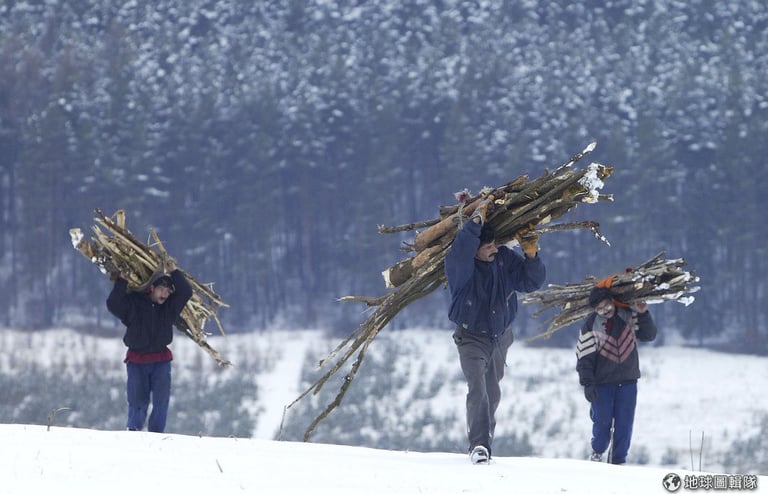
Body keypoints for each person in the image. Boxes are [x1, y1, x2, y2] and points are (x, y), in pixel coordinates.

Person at [444, 199, 546, 464]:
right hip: (471, 337)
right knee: (477, 386)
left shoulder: (503, 259)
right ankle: (479, 445)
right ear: (474, 249)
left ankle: (486, 438)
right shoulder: (461, 270)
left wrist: (532, 255)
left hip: (501, 337)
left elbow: (530, 282)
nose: (493, 249)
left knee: (492, 390)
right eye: (487, 246)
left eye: (494, 244)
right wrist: (475, 222)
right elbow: (460, 250)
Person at [106, 256, 192, 432]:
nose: (165, 294)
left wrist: (174, 272)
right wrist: (122, 280)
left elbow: (185, 292)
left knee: (161, 401)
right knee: (138, 402)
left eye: (168, 291)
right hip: (137, 361)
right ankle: (134, 432)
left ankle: (156, 435)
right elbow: (113, 304)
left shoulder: (169, 309)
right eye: (161, 289)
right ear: (151, 288)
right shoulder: (134, 304)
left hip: (161, 361)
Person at [575, 285, 657, 464]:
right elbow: (584, 359)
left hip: (628, 383)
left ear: (612, 301)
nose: (605, 310)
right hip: (601, 385)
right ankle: (597, 452)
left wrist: (643, 313)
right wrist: (588, 384)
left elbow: (649, 335)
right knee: (602, 425)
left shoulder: (628, 314)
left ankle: (618, 461)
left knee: (624, 426)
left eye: (606, 305)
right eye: (599, 308)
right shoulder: (590, 326)